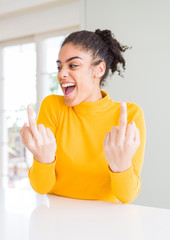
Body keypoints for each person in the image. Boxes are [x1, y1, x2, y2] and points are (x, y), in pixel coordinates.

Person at [20, 29, 146, 203]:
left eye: (73, 65)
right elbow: (41, 187)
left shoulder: (129, 115)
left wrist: (121, 166)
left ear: (99, 70)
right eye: (59, 66)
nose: (61, 74)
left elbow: (126, 196)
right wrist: (43, 159)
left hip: (106, 220)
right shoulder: (53, 106)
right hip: (56, 217)